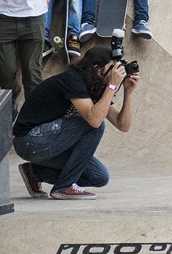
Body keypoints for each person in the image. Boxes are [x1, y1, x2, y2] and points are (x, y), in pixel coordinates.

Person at [13, 45, 138, 200]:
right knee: (94, 125)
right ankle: (64, 186)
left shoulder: (95, 87)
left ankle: (35, 172)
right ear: (97, 68)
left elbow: (123, 125)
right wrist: (112, 85)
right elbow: (94, 120)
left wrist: (127, 91)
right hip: (28, 141)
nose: (116, 73)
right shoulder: (72, 79)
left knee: (99, 176)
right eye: (112, 68)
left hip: (49, 146)